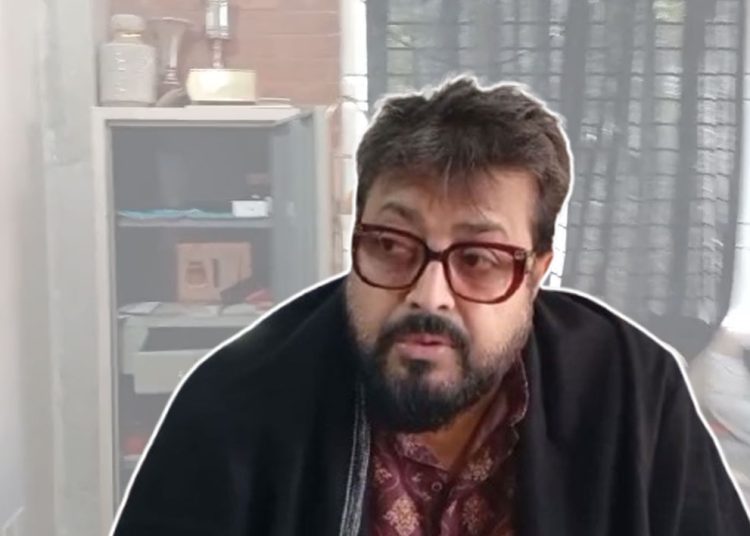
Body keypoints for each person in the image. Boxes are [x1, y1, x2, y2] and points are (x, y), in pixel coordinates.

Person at [111, 76, 750, 536]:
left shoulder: (631, 391)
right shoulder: (235, 404)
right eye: (392, 245)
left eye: (479, 257)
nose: (428, 294)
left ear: (537, 273)